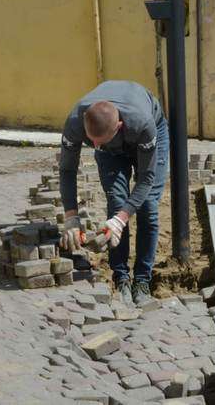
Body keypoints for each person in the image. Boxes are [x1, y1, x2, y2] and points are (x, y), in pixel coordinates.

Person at [58, 81, 169, 306]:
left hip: (147, 132)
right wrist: (71, 217)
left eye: (99, 142)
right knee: (117, 201)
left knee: (147, 206)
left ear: (118, 126)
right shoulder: (75, 122)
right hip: (112, 149)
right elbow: (67, 169)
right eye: (92, 142)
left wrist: (121, 220)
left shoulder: (143, 124)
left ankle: (142, 280)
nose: (95, 146)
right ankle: (121, 277)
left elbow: (146, 178)